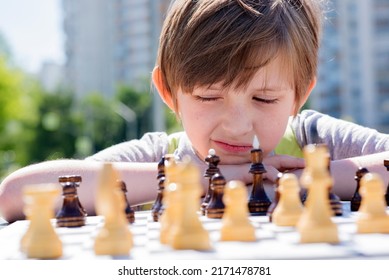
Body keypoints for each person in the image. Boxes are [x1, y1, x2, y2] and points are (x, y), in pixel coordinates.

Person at [1, 0, 389, 222]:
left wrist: (306, 180)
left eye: (265, 99)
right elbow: (16, 194)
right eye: (208, 97)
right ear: (169, 93)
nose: (238, 125)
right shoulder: (161, 154)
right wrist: (210, 177)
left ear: (299, 95)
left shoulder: (315, 141)